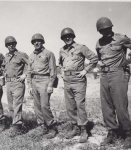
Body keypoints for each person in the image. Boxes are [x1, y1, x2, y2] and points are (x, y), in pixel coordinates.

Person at [96, 17, 131, 148]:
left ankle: (128, 133)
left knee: (120, 105)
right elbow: (100, 58)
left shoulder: (121, 38)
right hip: (104, 75)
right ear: (100, 31)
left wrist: (127, 61)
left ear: (112, 27)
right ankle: (112, 132)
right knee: (106, 105)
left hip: (118, 74)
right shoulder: (98, 43)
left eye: (108, 28)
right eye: (103, 30)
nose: (107, 31)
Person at [59, 28, 98, 143]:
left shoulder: (81, 47)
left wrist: (86, 70)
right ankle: (75, 127)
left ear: (73, 36)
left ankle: (84, 130)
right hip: (67, 80)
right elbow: (60, 63)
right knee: (70, 105)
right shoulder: (62, 50)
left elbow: (94, 58)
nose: (67, 38)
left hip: (78, 80)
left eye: (69, 36)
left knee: (80, 104)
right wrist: (62, 72)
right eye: (65, 37)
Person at [27, 33, 58, 139]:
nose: (36, 43)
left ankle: (51, 127)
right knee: (37, 106)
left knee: (44, 105)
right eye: (34, 41)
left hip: (45, 80)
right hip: (34, 81)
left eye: (39, 41)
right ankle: (41, 126)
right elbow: (29, 72)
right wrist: (29, 85)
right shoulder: (31, 56)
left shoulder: (49, 53)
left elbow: (53, 70)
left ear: (42, 42)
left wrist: (50, 85)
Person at [2, 36, 29, 137]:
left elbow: (31, 64)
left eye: (13, 44)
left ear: (15, 44)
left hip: (18, 83)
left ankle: (17, 127)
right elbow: (4, 67)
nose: (11, 45)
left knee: (17, 104)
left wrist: (25, 74)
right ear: (6, 46)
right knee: (10, 106)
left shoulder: (21, 55)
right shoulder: (6, 56)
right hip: (9, 84)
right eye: (9, 44)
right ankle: (16, 125)